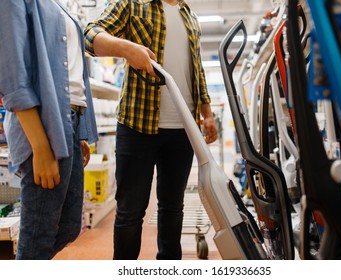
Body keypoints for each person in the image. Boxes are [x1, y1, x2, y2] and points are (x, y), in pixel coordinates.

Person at [84, 0, 217, 259]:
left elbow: (197, 69)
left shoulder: (189, 16)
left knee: (172, 207)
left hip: (183, 128)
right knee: (130, 211)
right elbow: (89, 35)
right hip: (137, 125)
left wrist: (207, 113)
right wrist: (126, 48)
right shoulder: (133, 4)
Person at [0, 0, 98, 259]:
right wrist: (40, 146)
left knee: (67, 228)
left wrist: (79, 130)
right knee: (37, 237)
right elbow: (12, 73)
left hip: (70, 123)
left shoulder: (57, 3)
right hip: (45, 123)